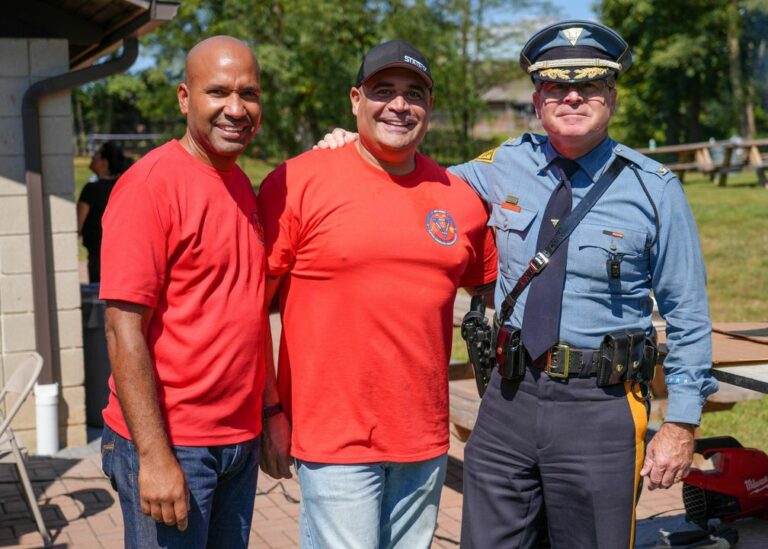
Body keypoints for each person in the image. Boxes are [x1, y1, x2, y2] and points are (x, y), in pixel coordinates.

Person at [317, 20, 718, 549]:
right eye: (555, 85)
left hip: (600, 406)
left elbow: (688, 317)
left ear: (612, 98)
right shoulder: (504, 163)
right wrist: (360, 146)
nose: (572, 96)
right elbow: (415, 177)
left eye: (591, 84)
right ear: (537, 99)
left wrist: (681, 424)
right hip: (509, 399)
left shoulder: (655, 190)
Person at [257, 40, 497, 548]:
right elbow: (253, 309)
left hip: (422, 437)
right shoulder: (297, 181)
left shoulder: (460, 199)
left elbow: (495, 288)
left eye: (414, 93)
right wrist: (270, 411)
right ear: (355, 100)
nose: (399, 105)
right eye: (383, 90)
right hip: (333, 438)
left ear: (429, 107)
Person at [98, 36, 289, 549]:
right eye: (218, 92)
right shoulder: (150, 186)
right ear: (185, 99)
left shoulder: (240, 185)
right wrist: (154, 457)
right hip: (173, 443)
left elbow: (249, 313)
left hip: (238, 441)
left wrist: (269, 412)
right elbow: (121, 330)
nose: (236, 108)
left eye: (249, 94)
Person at [76, 141, 131, 283]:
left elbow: (78, 224)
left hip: (99, 256)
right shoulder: (124, 187)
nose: (92, 157)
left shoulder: (91, 190)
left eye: (96, 155)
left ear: (105, 163)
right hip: (125, 255)